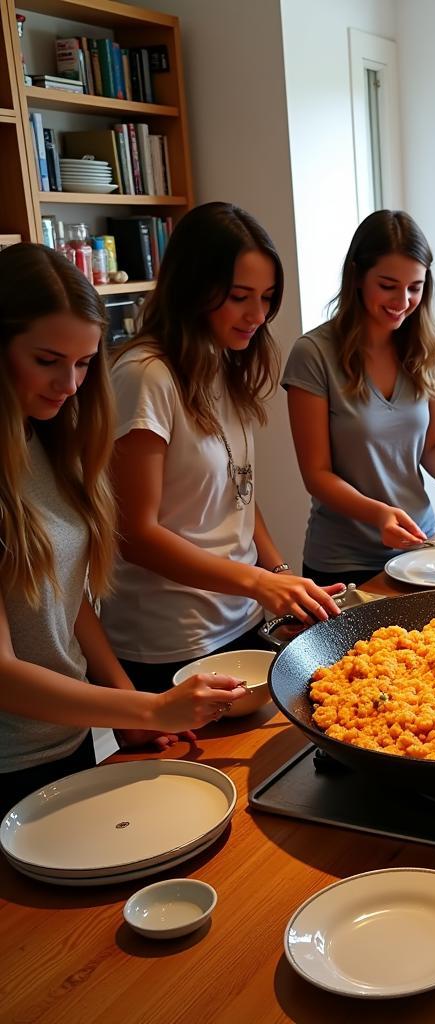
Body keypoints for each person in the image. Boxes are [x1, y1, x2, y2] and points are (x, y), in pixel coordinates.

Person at [0, 244, 247, 814]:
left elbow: (63, 599)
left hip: (68, 735)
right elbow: (4, 673)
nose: (69, 383)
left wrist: (128, 699)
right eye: (47, 360)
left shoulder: (47, 441)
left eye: (84, 363)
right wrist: (149, 710)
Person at [101, 203, 341, 693]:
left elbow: (239, 496)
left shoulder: (221, 362)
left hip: (237, 620)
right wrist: (256, 582)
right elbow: (135, 533)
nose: (258, 315)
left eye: (267, 298)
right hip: (172, 638)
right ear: (194, 287)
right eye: (239, 297)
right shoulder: (146, 375)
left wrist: (278, 577)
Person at [284, 209, 435, 587]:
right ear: (357, 276)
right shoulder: (313, 354)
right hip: (343, 561)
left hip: (419, 552)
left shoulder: (428, 350)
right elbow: (317, 475)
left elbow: (433, 448)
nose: (403, 301)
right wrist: (379, 515)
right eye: (388, 285)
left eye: (415, 287)